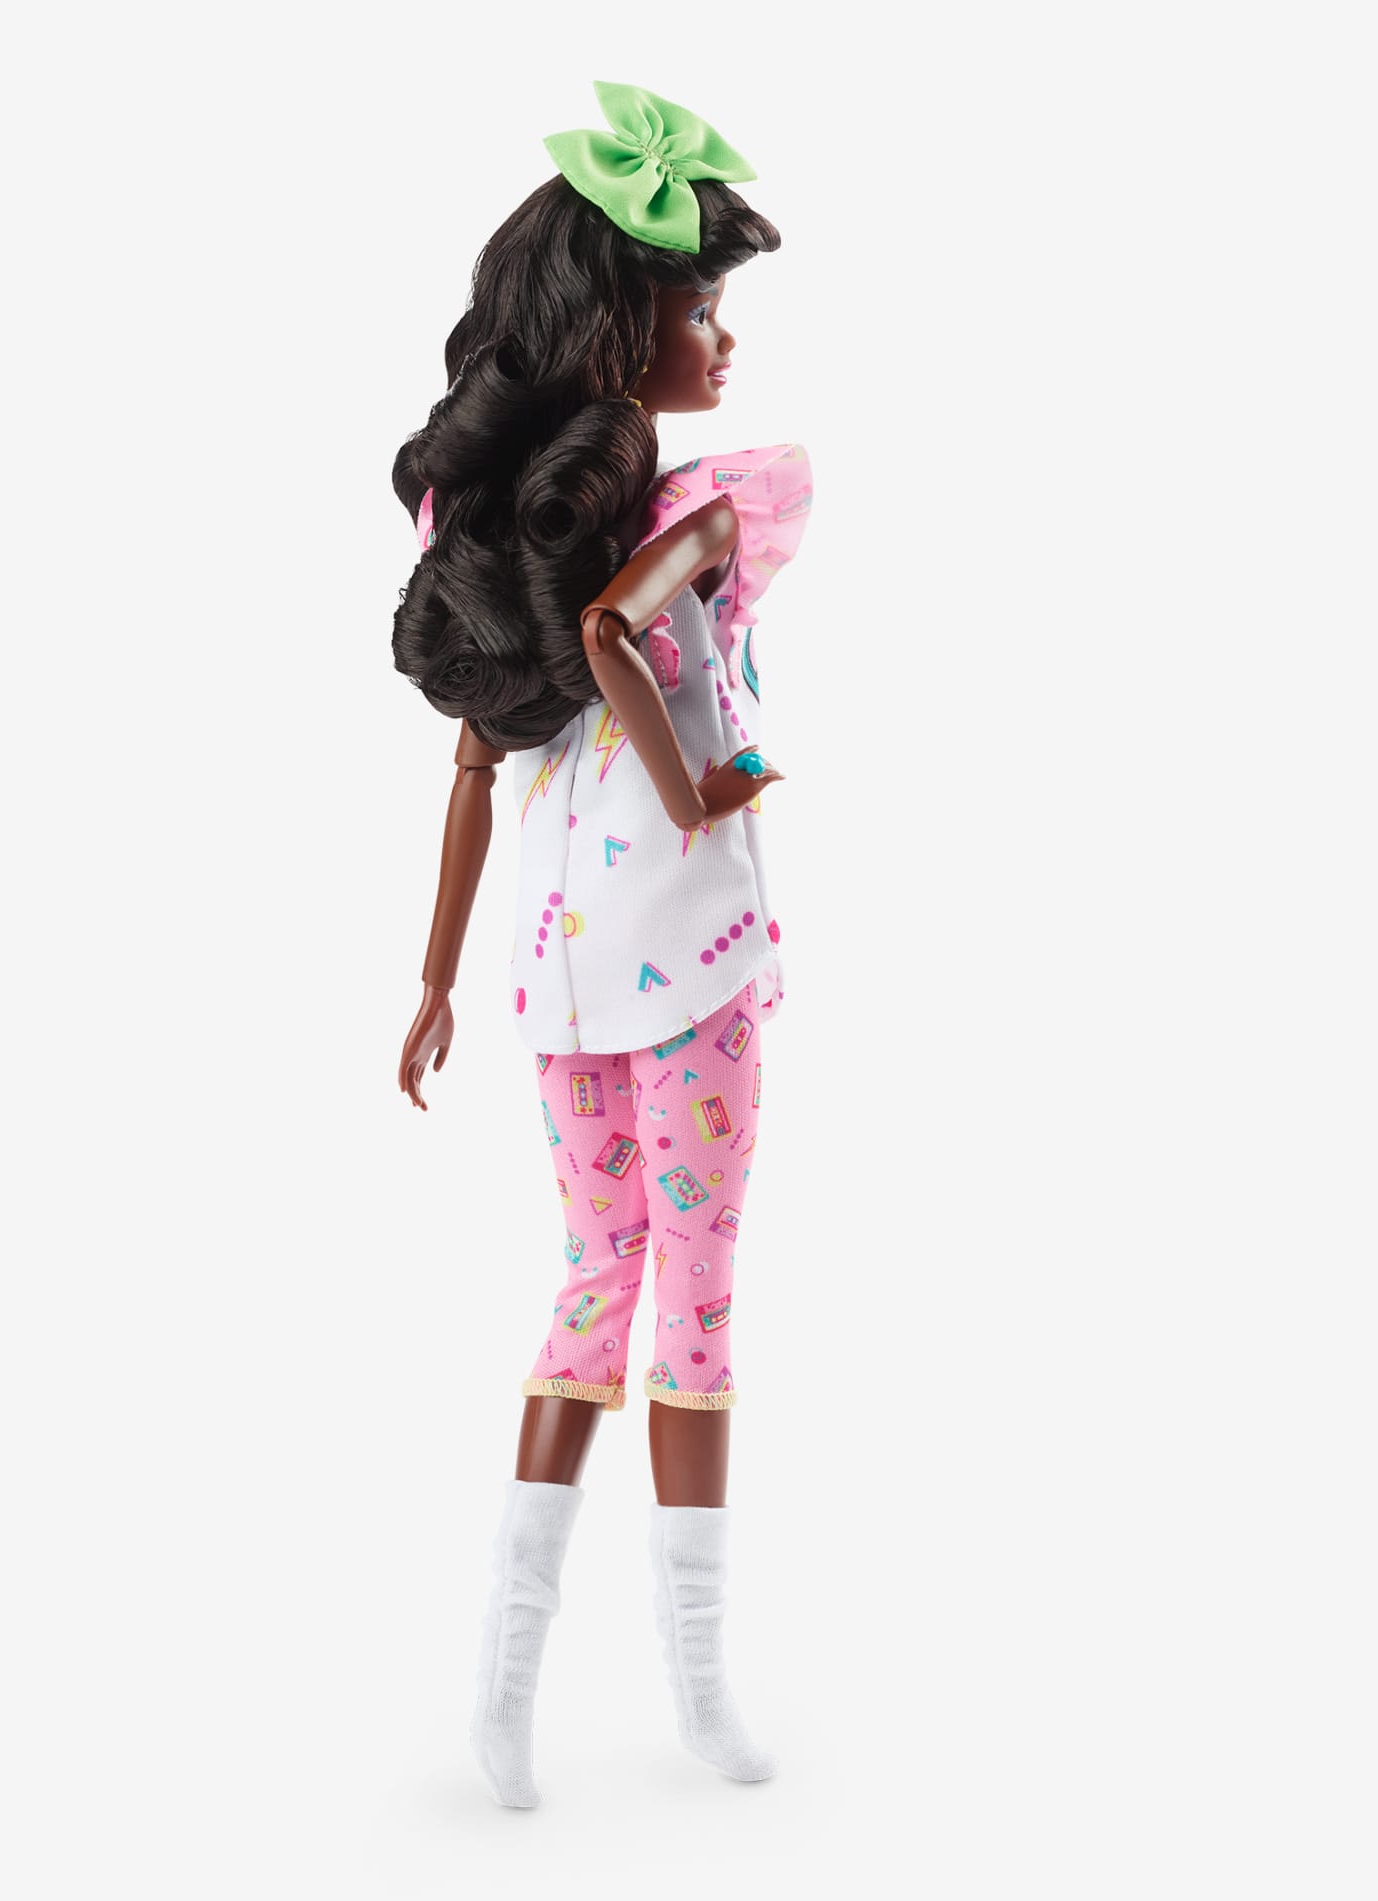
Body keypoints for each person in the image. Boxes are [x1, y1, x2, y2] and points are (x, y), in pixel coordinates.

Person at [390, 81, 815, 1809]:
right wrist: (704, 791)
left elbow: (484, 761)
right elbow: (595, 662)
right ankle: (616, 1680)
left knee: (612, 1283)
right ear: (621, 332)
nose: (721, 339)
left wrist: (437, 978)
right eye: (698, 307)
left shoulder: (555, 528)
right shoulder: (664, 520)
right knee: (675, 1296)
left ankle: (585, 1686)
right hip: (675, 964)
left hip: (576, 970)